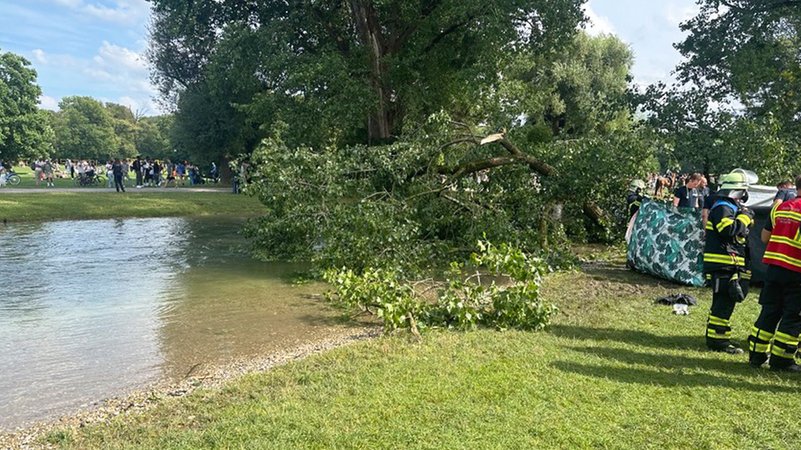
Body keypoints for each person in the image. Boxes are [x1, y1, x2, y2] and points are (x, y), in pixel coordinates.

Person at [747, 176, 801, 371]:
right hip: (797, 271)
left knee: (770, 311)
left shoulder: (780, 208)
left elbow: (764, 237)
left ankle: (756, 354)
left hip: (774, 269)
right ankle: (782, 360)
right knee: (793, 316)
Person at [702, 171, 755, 354]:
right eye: (742, 192)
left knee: (723, 302)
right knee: (724, 303)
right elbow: (727, 229)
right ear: (736, 192)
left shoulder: (726, 206)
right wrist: (745, 218)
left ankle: (717, 338)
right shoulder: (723, 207)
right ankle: (719, 342)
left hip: (726, 262)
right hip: (722, 263)